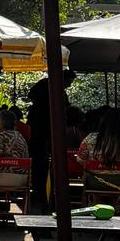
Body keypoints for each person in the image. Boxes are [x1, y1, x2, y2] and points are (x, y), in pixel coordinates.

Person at [27, 68, 76, 211]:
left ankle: (42, 191)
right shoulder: (50, 87)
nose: (69, 85)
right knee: (40, 162)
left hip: (45, 129)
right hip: (43, 130)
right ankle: (40, 191)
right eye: (69, 82)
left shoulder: (55, 89)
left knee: (41, 162)